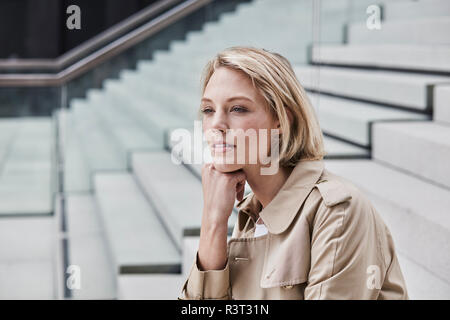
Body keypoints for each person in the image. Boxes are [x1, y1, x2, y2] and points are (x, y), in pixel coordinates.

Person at [178, 46, 409, 300]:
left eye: (238, 109)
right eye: (208, 110)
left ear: (281, 120)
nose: (216, 125)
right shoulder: (251, 216)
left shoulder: (338, 211)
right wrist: (213, 222)